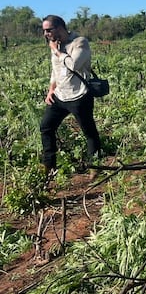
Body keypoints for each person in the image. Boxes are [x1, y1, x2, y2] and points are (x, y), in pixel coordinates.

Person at [40, 15, 102, 174]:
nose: (46, 34)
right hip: (59, 96)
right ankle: (49, 167)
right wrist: (51, 89)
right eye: (44, 31)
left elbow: (73, 65)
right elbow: (55, 70)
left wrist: (57, 51)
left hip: (79, 96)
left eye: (48, 30)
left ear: (60, 27)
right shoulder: (55, 44)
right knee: (46, 127)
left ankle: (95, 167)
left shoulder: (80, 42)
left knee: (89, 132)